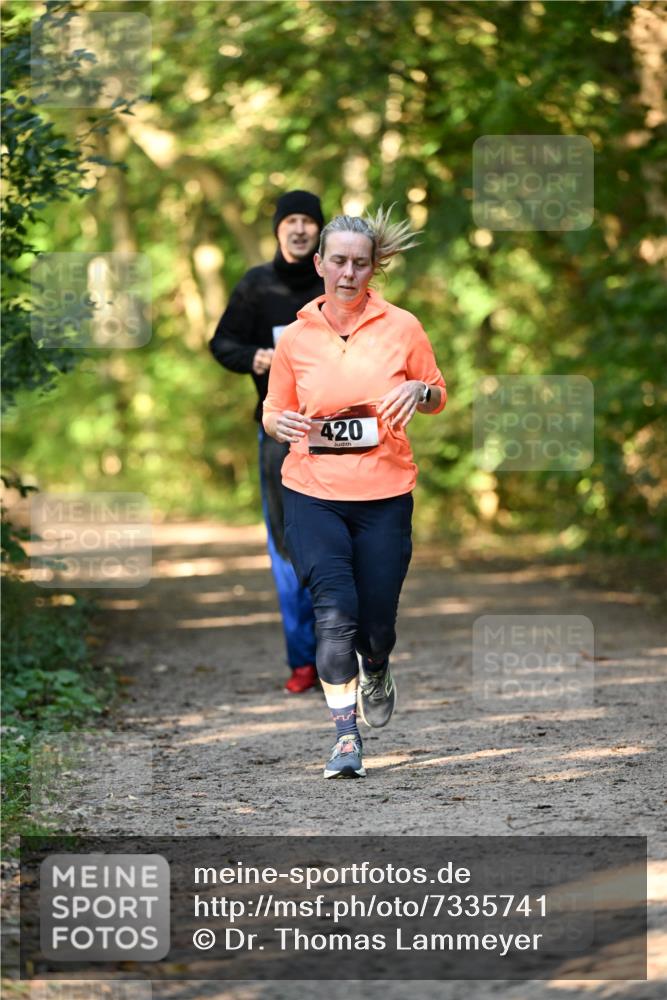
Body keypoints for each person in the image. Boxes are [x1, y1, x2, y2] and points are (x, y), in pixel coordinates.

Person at [262, 208, 447, 777]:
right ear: (319, 264)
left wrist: (418, 391)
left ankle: (378, 664)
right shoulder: (296, 338)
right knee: (334, 616)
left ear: (373, 268)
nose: (348, 273)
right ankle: (346, 738)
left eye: (360, 263)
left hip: (385, 493)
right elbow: (273, 410)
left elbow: (437, 393)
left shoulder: (403, 327)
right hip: (312, 492)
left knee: (377, 624)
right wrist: (279, 424)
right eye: (338, 261)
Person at [210, 191, 324, 693]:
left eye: (308, 221)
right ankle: (303, 662)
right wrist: (255, 357)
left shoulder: (336, 282)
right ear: (278, 229)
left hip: (341, 432)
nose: (299, 229)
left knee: (342, 543)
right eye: (290, 220)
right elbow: (221, 343)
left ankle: (342, 653)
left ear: (319, 230)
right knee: (286, 546)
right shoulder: (257, 284)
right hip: (279, 432)